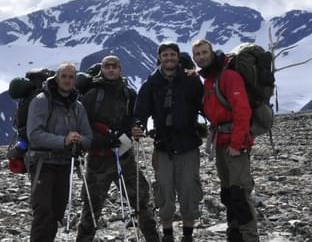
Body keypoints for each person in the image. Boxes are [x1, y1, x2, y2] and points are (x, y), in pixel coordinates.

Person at [76, 55, 160, 242]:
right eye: (107, 66)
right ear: (102, 69)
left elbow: (137, 117)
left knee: (141, 200)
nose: (111, 69)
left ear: (120, 69)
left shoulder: (129, 94)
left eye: (115, 66)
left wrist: (136, 128)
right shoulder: (91, 95)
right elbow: (83, 125)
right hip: (100, 159)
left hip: (123, 156)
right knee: (91, 208)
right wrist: (103, 140)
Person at [132, 42, 204, 242]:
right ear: (160, 58)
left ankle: (188, 235)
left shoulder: (191, 81)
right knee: (164, 188)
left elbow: (205, 105)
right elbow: (140, 111)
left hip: (188, 143)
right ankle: (168, 235)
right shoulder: (151, 83)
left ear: (178, 57)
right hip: (163, 145)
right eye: (166, 55)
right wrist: (138, 124)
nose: (169, 58)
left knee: (189, 188)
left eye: (173, 55)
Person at [191, 39, 258, 242]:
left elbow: (242, 110)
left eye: (204, 52)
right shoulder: (210, 79)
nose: (201, 57)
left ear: (212, 52)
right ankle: (235, 235)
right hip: (221, 141)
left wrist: (237, 144)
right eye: (197, 54)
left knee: (239, 195)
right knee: (228, 193)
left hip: (234, 143)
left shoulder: (228, 76)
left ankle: (249, 238)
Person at [26, 62, 93, 242]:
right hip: (43, 163)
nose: (67, 80)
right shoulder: (41, 101)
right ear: (56, 78)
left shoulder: (78, 107)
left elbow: (88, 136)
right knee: (43, 211)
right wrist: (63, 141)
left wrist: (79, 140)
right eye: (64, 76)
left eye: (71, 77)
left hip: (64, 164)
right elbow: (34, 134)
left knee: (56, 211)